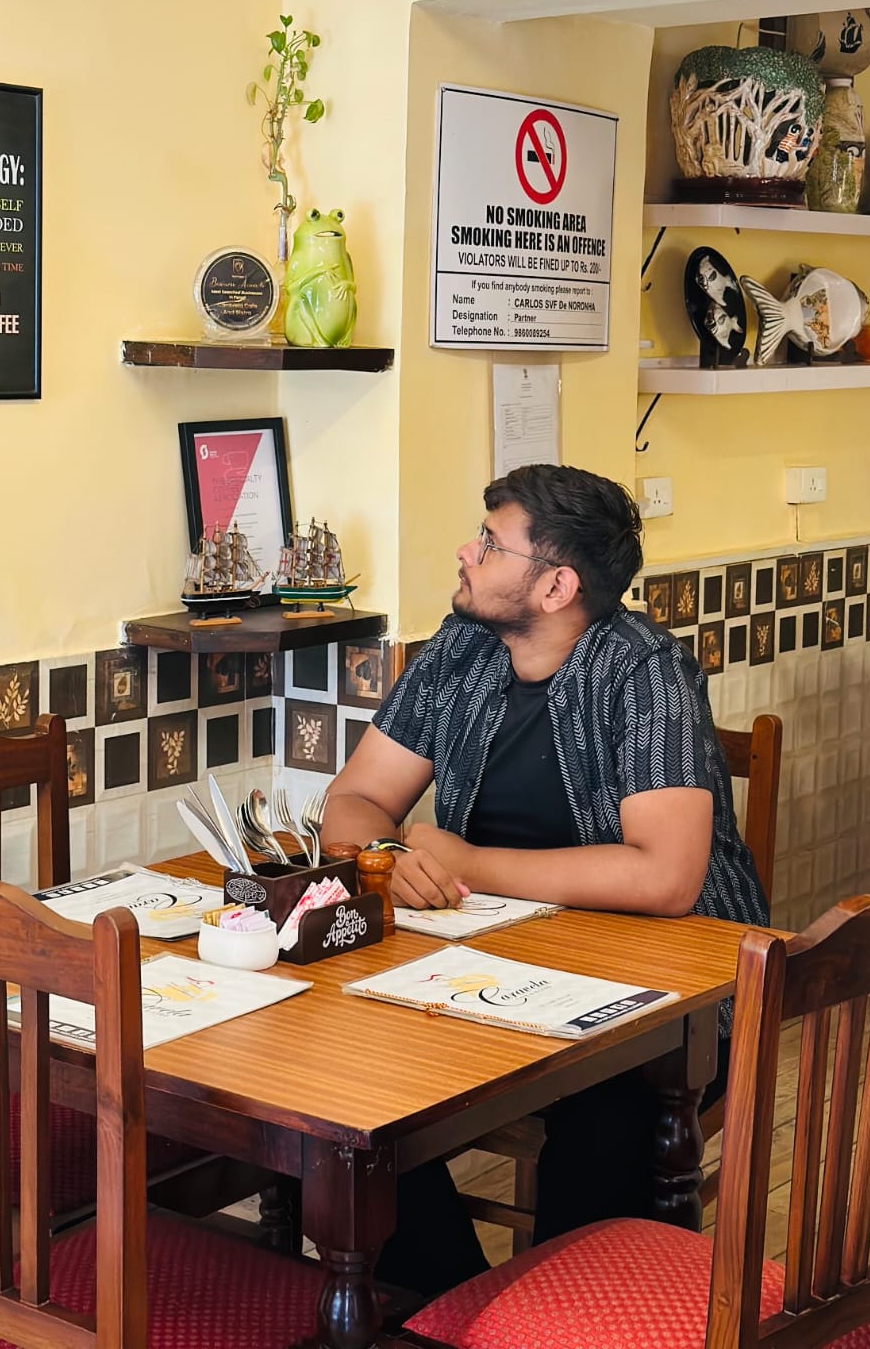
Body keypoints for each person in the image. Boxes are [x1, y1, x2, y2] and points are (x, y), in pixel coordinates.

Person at [321, 464, 768, 1295]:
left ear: (558, 585)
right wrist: (386, 859)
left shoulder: (645, 671)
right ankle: (448, 1305)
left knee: (606, 1124)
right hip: (482, 972)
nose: (467, 551)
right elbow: (354, 798)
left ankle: (568, 1312)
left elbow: (667, 878)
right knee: (338, 1100)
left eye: (491, 544)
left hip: (670, 1000)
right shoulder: (461, 648)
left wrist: (466, 862)